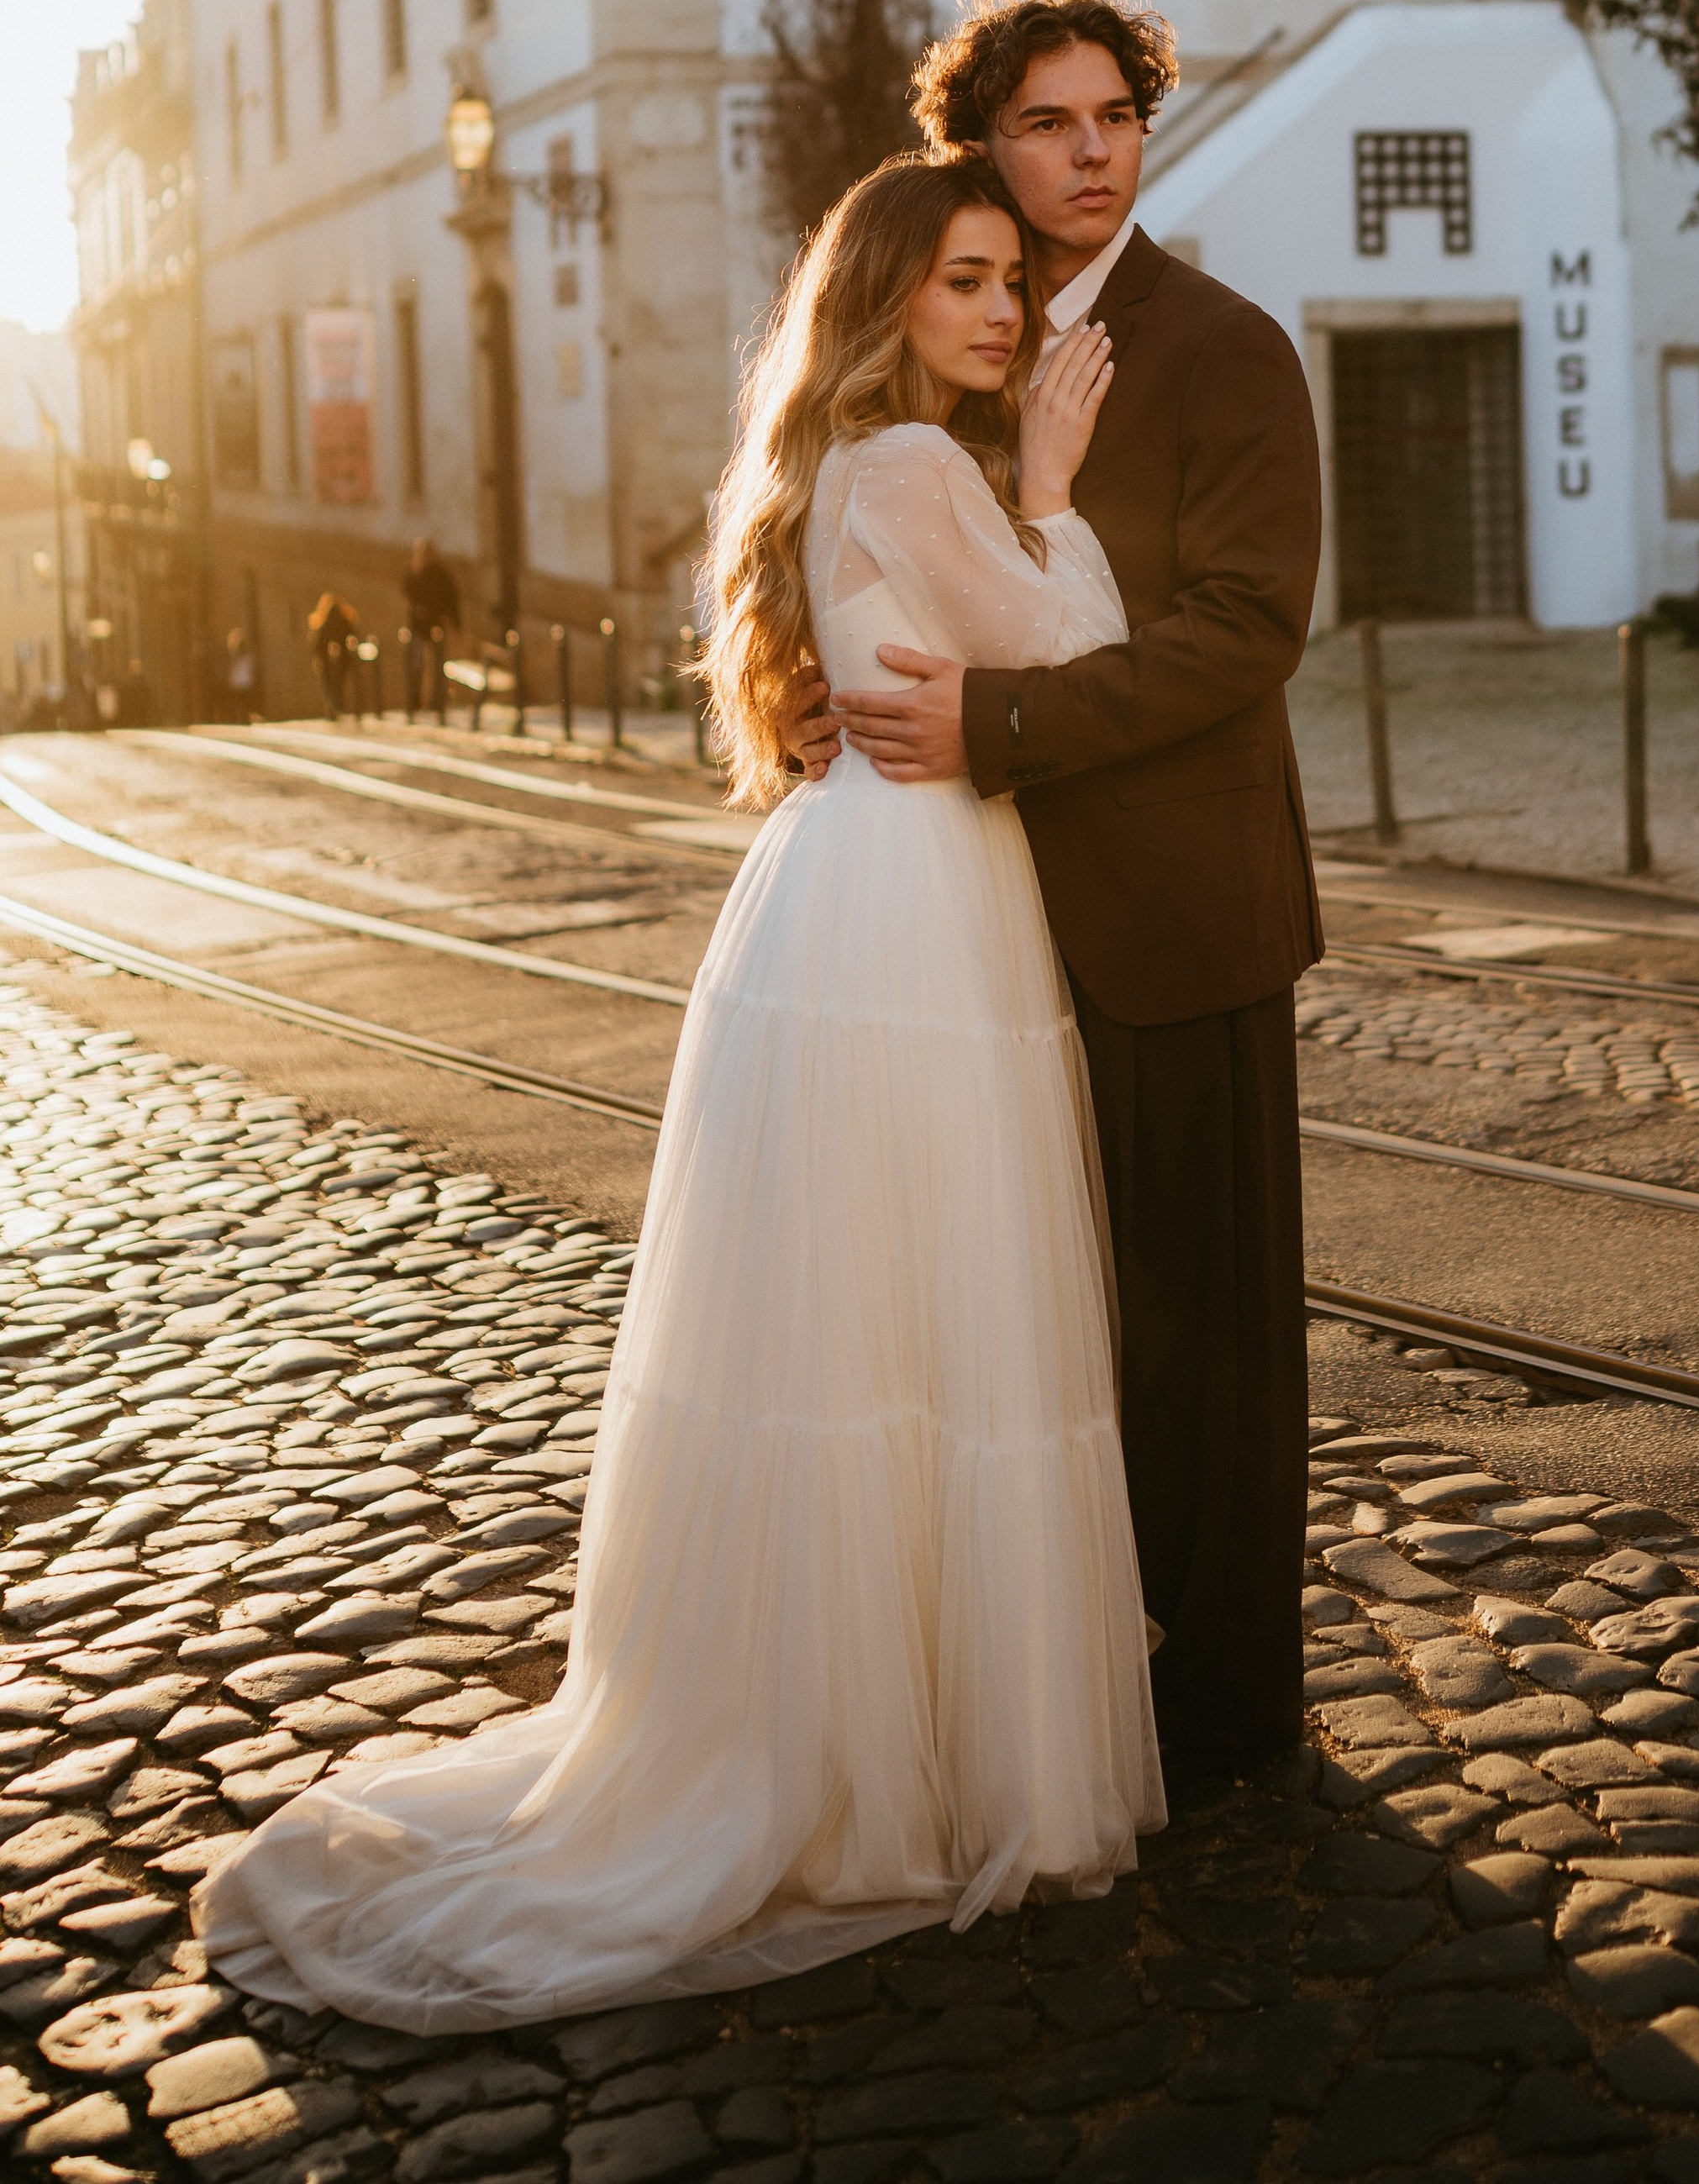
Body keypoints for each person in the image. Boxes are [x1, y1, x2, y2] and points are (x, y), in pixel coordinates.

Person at [197, 153, 1162, 2031]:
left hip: (858, 895)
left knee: (861, 1335)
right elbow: (1074, 648)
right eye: (963, 279)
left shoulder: (837, 467)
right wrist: (1047, 487)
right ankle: (914, 1759)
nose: (1001, 313)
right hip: (910, 915)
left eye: (1008, 284)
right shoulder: (916, 466)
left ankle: (869, 1731)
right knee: (924, 1327)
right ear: (883, 295)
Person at [826, 0, 1323, 1768]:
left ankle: (1224, 1708)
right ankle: (1066, 1682)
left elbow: (1245, 631)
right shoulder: (953, 332)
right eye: (1046, 121)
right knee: (1046, 1331)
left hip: (1181, 915)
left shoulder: (1226, 345)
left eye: (1112, 112)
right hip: (989, 927)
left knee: (1209, 1346)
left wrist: (1003, 720)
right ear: (987, 148)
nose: (1091, 147)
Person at [402, 539, 460, 719]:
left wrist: (455, 621)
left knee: (438, 666)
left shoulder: (441, 575)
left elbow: (451, 599)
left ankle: (437, 703)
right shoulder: (414, 572)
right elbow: (408, 591)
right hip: (418, 627)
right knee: (417, 665)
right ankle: (415, 704)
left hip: (436, 626)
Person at [307, 591, 360, 720]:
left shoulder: (322, 621)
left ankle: (332, 708)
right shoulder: (345, 620)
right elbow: (352, 637)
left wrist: (318, 656)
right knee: (338, 684)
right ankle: (337, 707)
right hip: (342, 658)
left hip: (325, 659)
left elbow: (316, 642)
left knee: (328, 685)